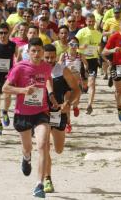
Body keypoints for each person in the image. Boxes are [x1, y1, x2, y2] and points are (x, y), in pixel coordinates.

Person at [2, 38, 58, 198]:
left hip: (41, 111)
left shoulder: (47, 67)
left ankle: (39, 185)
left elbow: (48, 80)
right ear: (28, 52)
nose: (37, 54)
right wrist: (23, 91)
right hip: (23, 113)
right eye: (33, 51)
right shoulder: (20, 67)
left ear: (43, 51)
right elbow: (6, 88)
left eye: (39, 51)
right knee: (28, 148)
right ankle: (26, 158)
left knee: (43, 145)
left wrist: (51, 95)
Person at [43, 44, 80, 193]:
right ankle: (47, 179)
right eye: (47, 57)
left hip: (58, 114)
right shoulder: (36, 70)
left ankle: (56, 140)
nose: (50, 60)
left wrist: (68, 103)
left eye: (52, 57)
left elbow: (76, 89)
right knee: (44, 147)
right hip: (41, 114)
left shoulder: (62, 70)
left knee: (58, 149)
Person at [76, 13, 102, 114]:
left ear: (95, 21)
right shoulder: (81, 32)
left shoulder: (98, 33)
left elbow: (99, 46)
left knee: (92, 83)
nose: (91, 23)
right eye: (89, 21)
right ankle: (83, 88)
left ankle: (89, 105)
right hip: (81, 59)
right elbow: (74, 44)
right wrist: (83, 48)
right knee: (83, 83)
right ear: (86, 22)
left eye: (92, 21)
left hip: (93, 61)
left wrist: (100, 56)